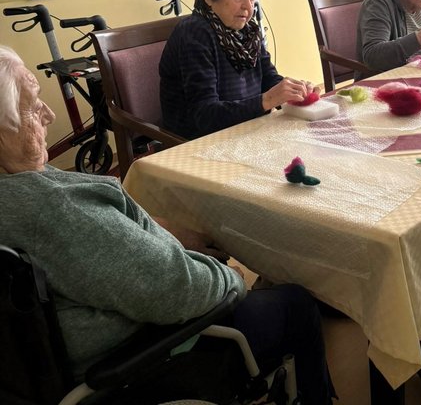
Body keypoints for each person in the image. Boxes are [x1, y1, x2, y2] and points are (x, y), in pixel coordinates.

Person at [0, 45, 334, 404]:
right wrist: (231, 279)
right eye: (32, 106)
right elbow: (178, 291)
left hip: (46, 363)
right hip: (144, 363)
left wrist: (159, 230)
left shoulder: (22, 193)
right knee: (296, 303)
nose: (49, 114)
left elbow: (109, 252)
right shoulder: (52, 210)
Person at [160, 0, 318, 140]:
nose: (248, 7)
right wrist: (267, 100)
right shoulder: (194, 33)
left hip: (247, 129)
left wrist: (293, 91)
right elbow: (205, 116)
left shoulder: (248, 31)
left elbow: (268, 78)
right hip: (197, 143)